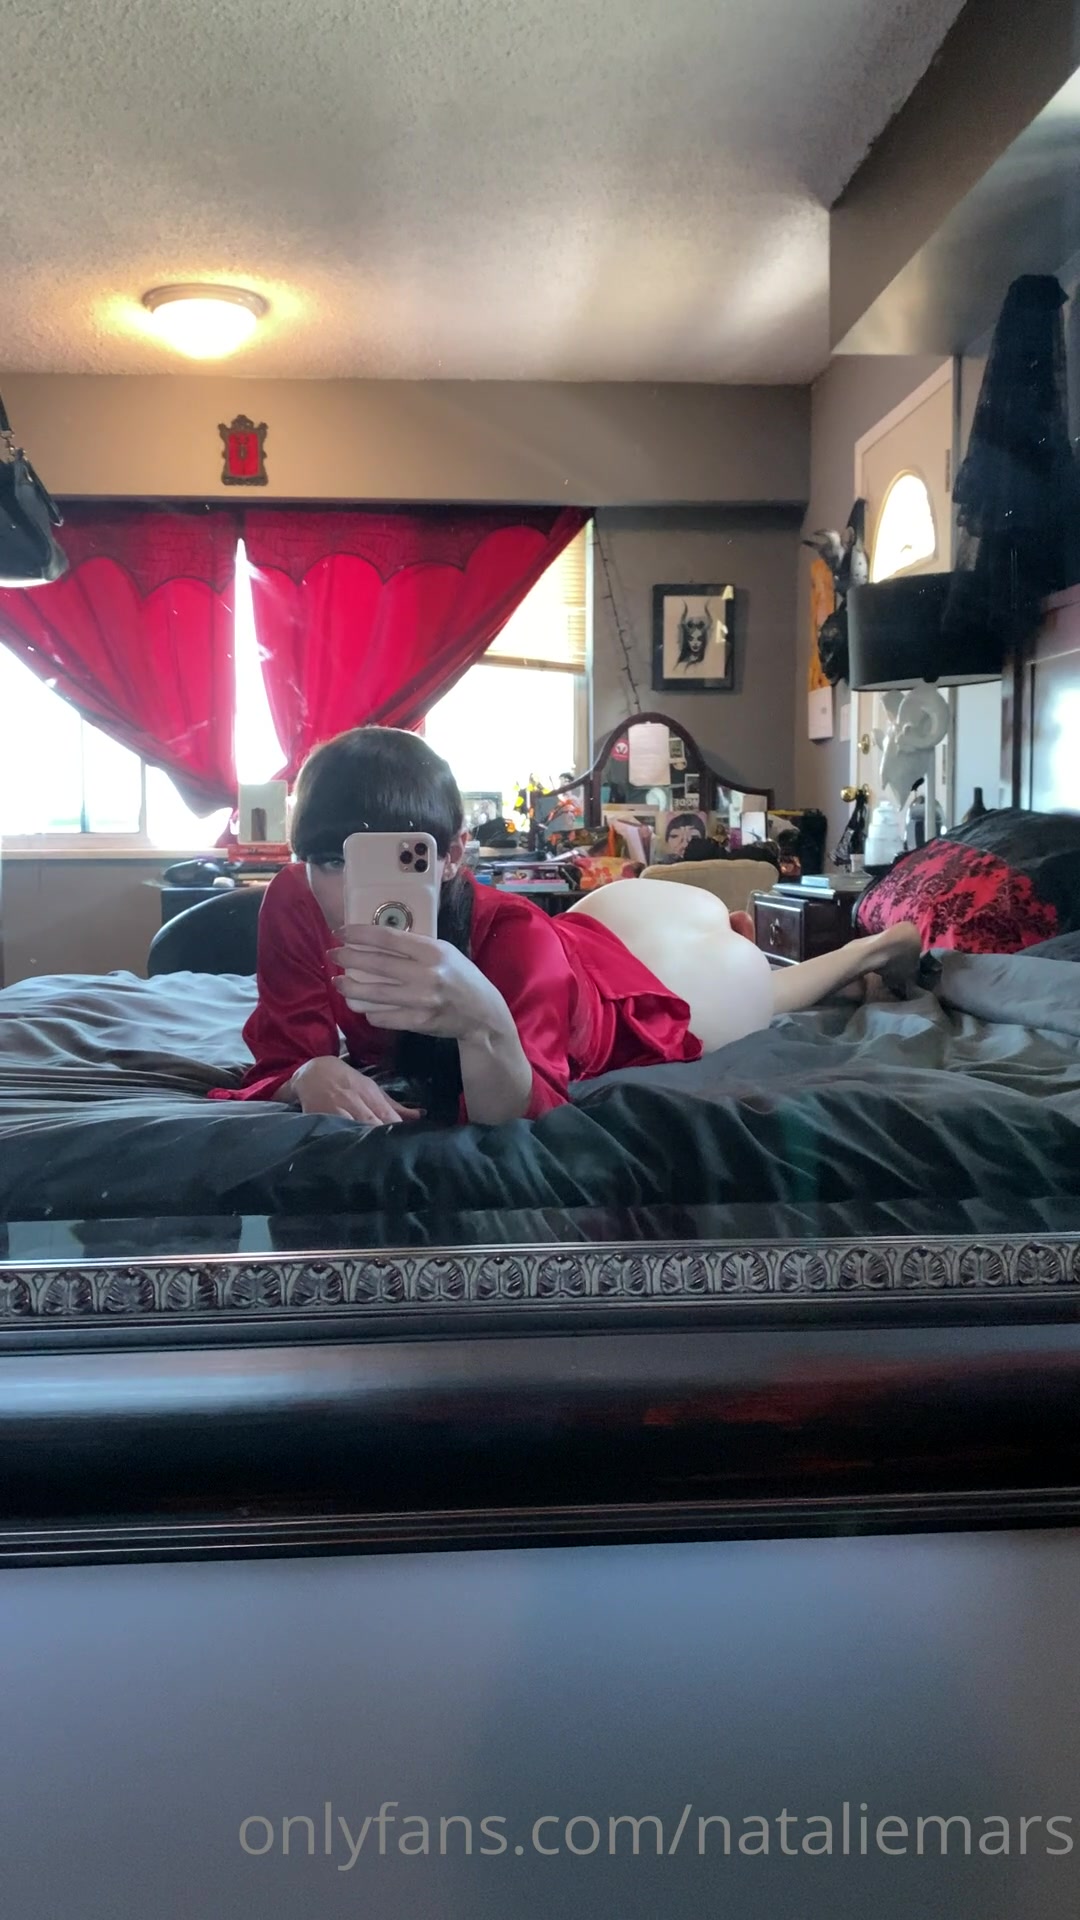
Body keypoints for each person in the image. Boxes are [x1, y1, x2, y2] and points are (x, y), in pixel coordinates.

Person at [213, 727, 920, 1127]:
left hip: (633, 988)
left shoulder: (513, 937)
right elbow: (285, 1055)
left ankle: (875, 946)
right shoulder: (294, 901)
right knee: (718, 943)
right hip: (589, 934)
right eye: (328, 860)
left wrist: (483, 1022)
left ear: (453, 854)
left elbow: (516, 1114)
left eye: (392, 857)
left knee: (766, 992)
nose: (345, 890)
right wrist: (307, 1073)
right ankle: (751, 937)